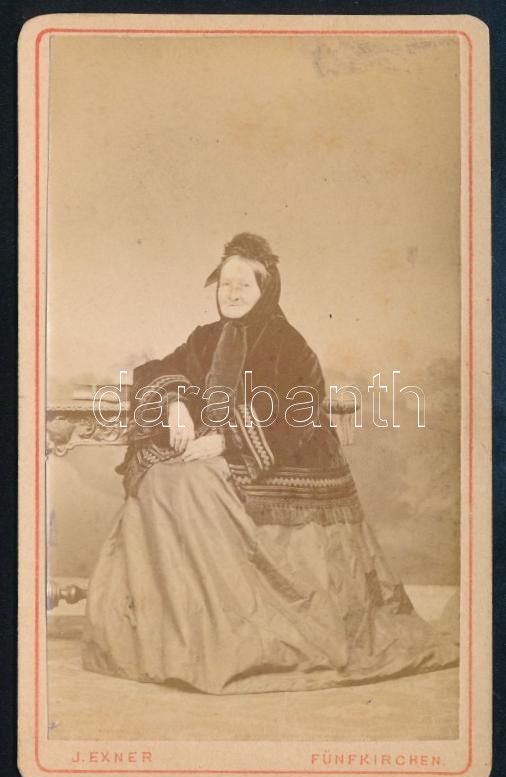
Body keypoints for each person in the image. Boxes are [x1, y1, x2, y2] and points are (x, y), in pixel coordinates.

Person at [82, 233, 458, 694]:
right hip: (215, 450)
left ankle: (229, 638)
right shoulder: (205, 338)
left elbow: (299, 417)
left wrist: (224, 442)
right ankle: (180, 633)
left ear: (266, 290)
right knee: (157, 476)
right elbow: (154, 371)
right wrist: (176, 402)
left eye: (244, 285)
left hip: (285, 460)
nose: (232, 293)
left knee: (194, 484)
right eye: (225, 284)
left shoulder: (289, 345)